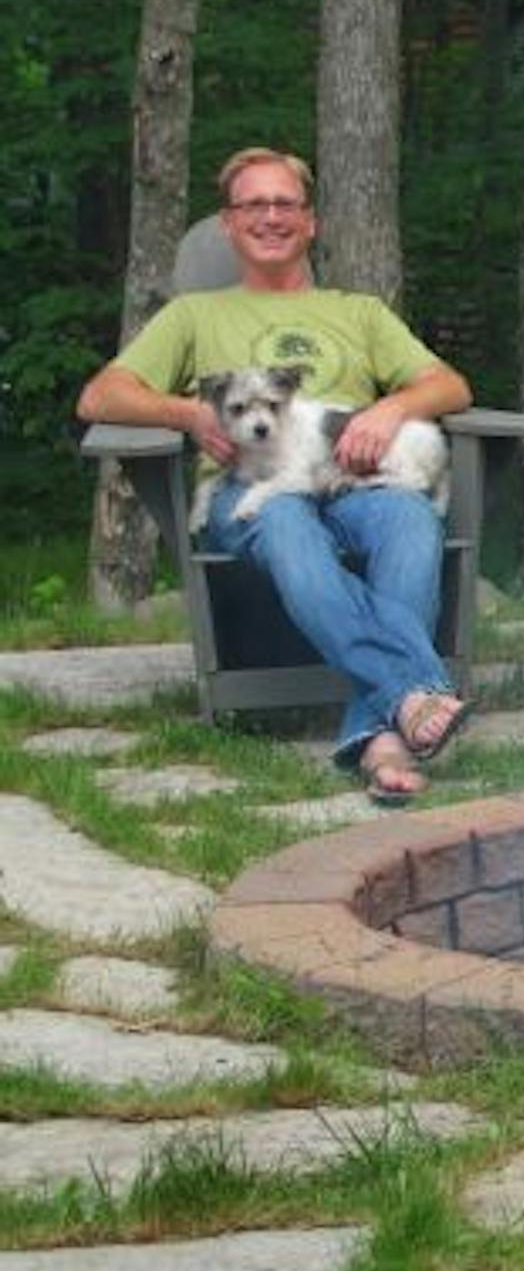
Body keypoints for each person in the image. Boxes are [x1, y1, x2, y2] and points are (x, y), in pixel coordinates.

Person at [76, 147, 475, 804]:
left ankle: (379, 737)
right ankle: (413, 698)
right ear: (228, 225)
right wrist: (187, 413)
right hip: (254, 487)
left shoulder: (359, 312)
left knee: (409, 520)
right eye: (253, 205)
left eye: (285, 203)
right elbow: (101, 397)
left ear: (310, 223)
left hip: (356, 476)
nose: (270, 217)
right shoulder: (195, 315)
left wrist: (391, 409)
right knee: (288, 525)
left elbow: (449, 385)